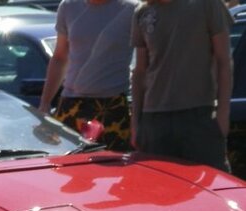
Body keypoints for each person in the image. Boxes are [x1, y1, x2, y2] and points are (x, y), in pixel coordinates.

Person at [131, 0, 233, 172]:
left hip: (199, 117)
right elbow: (140, 72)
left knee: (211, 188)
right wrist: (135, 123)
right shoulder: (142, 12)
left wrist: (223, 116)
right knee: (158, 192)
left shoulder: (207, 5)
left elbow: (224, 61)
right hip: (154, 122)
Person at [38, 0, 139, 152]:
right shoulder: (68, 6)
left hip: (112, 105)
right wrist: (45, 103)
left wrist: (138, 117)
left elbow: (145, 62)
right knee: (69, 170)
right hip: (71, 104)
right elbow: (59, 57)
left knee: (115, 170)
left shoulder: (132, 9)